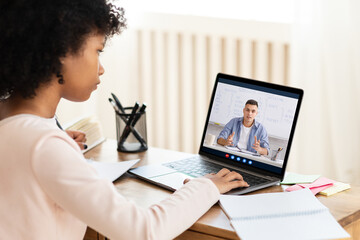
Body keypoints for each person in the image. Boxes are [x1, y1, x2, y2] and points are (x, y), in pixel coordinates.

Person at [0, 0, 249, 239]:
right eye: (98, 50)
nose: (101, 68)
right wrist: (207, 186)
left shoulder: (24, 133)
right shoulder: (44, 146)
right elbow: (144, 232)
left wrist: (54, 147)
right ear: (61, 51)